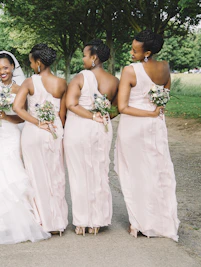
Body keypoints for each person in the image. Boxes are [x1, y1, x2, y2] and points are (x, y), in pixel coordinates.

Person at [0, 52, 51, 244]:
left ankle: (17, 223)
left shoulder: (19, 88)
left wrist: (6, 117)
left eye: (5, 68)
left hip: (10, 134)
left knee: (11, 172)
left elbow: (21, 115)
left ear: (12, 68)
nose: (2, 72)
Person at [115, 29, 179, 241]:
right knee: (157, 171)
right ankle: (160, 222)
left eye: (135, 50)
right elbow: (164, 98)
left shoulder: (130, 70)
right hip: (156, 126)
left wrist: (149, 112)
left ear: (148, 52)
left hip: (134, 126)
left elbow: (123, 107)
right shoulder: (165, 68)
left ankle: (139, 223)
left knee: (134, 173)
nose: (131, 52)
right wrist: (154, 111)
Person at [64, 40, 119, 236]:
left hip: (79, 127)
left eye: (85, 55)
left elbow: (71, 104)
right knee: (99, 171)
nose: (83, 59)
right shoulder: (114, 81)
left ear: (94, 57)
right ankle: (97, 221)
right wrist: (103, 117)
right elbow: (117, 108)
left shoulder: (81, 77)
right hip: (102, 129)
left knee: (79, 174)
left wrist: (91, 115)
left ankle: (81, 222)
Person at [13, 43, 68, 235]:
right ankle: (57, 222)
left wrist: (37, 122)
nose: (30, 66)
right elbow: (62, 115)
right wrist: (56, 131)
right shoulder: (62, 83)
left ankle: (41, 221)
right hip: (54, 131)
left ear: (38, 62)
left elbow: (17, 108)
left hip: (34, 132)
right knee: (55, 175)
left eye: (30, 62)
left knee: (35, 175)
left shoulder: (29, 82)